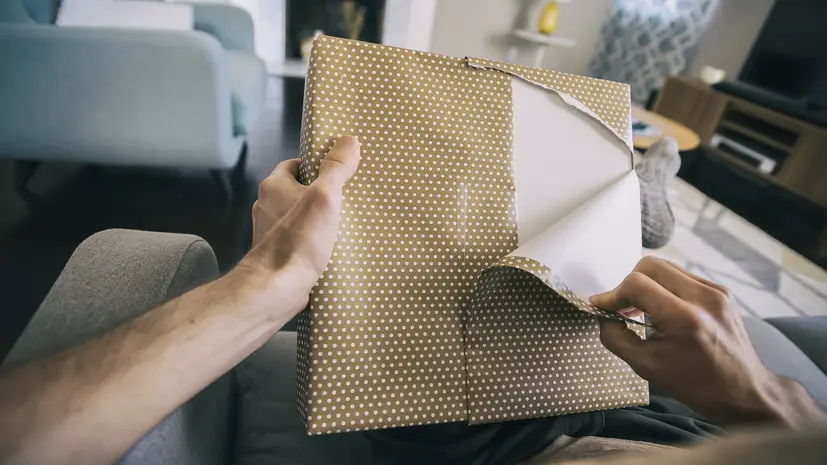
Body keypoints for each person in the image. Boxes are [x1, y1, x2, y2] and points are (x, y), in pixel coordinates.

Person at [0, 136, 823, 465]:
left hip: (535, 437)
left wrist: (264, 285)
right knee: (595, 251)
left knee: (468, 281)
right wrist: (767, 404)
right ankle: (631, 192)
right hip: (723, 420)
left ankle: (630, 192)